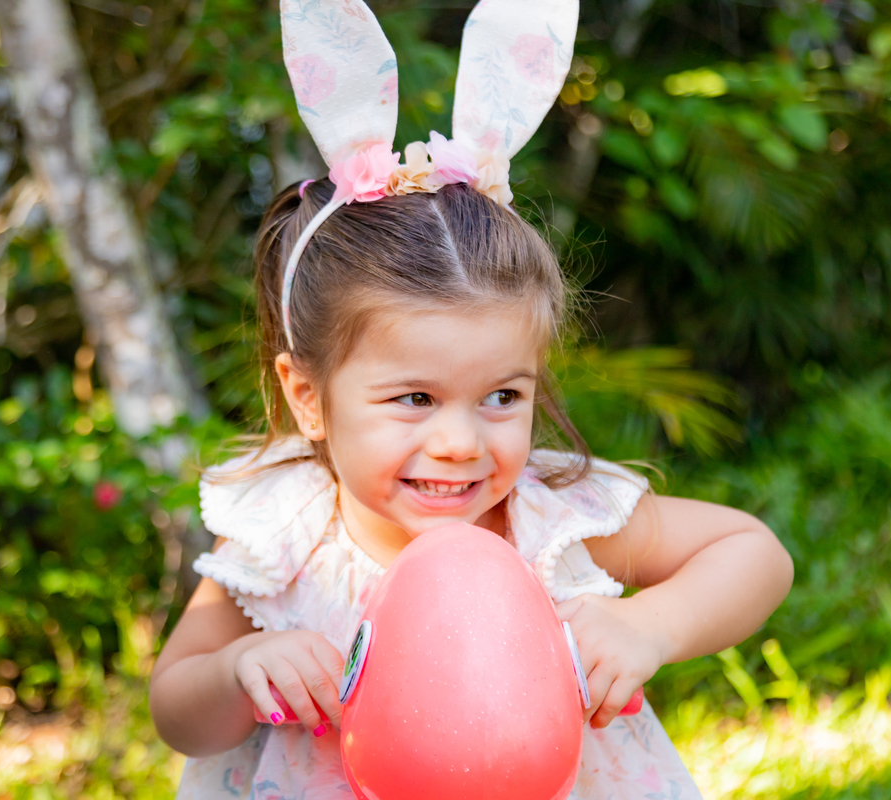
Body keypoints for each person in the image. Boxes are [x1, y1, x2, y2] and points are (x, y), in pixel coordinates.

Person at [149, 2, 793, 798]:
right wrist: (238, 670)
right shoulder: (285, 539)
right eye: (415, 397)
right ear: (308, 397)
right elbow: (175, 710)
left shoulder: (550, 519)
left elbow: (754, 553)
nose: (460, 442)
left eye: (501, 396)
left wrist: (646, 626)